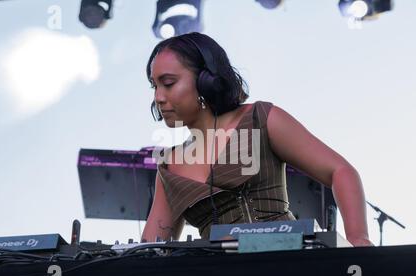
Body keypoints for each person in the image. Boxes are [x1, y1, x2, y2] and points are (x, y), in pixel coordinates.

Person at [142, 32, 373, 247]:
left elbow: (340, 171)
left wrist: (358, 242)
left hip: (292, 270)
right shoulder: (169, 166)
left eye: (169, 83)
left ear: (205, 80)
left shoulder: (261, 119)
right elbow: (147, 253)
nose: (158, 98)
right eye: (155, 86)